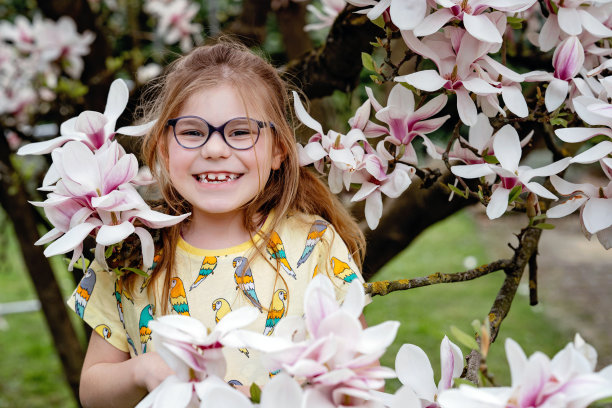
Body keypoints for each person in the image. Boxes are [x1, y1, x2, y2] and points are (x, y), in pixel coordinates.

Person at [68, 39, 368, 408]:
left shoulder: (315, 244)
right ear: (163, 148)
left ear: (278, 150)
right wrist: (141, 370)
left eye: (241, 132)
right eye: (192, 132)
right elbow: (92, 391)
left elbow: (360, 376)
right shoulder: (130, 250)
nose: (214, 149)